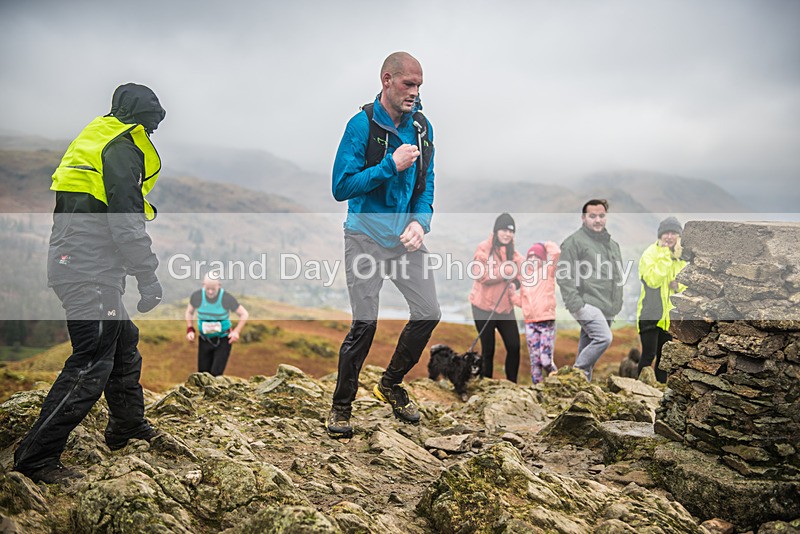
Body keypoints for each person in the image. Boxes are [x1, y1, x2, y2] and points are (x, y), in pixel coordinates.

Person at [13, 83, 166, 484]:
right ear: (142, 121)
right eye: (151, 127)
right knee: (91, 360)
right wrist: (148, 276)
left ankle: (126, 428)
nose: (152, 135)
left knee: (122, 341)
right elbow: (126, 221)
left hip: (80, 264)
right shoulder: (121, 148)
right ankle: (35, 458)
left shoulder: (95, 139)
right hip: (88, 271)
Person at [327, 51, 440, 438]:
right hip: (363, 237)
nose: (415, 91)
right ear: (387, 79)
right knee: (365, 324)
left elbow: (426, 187)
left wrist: (420, 224)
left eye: (419, 85)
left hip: (404, 240)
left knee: (428, 312)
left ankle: (390, 384)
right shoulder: (360, 126)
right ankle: (341, 408)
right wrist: (390, 166)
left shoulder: (422, 128)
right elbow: (341, 187)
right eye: (409, 84)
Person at [557, 199, 624, 381]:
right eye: (592, 216)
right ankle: (574, 375)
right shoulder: (573, 242)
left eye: (601, 216)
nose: (597, 220)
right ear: (583, 218)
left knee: (588, 347)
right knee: (603, 338)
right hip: (586, 302)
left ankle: (580, 389)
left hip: (607, 305)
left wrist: (617, 302)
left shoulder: (612, 245)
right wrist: (576, 303)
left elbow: (617, 275)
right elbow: (563, 274)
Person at [469, 213, 524, 383]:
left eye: (511, 231)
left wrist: (515, 282)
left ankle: (512, 385)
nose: (507, 234)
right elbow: (481, 275)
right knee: (488, 349)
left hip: (505, 308)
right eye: (504, 230)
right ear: (496, 231)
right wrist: (507, 272)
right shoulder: (483, 248)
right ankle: (486, 386)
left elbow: (521, 275)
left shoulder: (513, 253)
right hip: (482, 308)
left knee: (514, 346)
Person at [636, 217, 686, 383]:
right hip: (650, 314)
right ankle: (639, 390)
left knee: (664, 359)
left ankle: (660, 396)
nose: (670, 237)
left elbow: (686, 285)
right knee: (648, 355)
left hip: (668, 318)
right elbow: (652, 280)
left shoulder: (680, 257)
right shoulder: (650, 253)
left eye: (674, 233)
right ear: (660, 235)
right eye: (666, 233)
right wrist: (665, 255)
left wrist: (678, 286)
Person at [512, 241, 561, 384]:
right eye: (531, 258)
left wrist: (545, 245)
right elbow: (523, 302)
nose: (533, 260)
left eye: (537, 257)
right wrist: (512, 296)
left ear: (543, 259)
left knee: (545, 360)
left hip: (546, 322)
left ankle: (556, 382)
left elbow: (556, 253)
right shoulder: (525, 279)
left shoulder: (548, 271)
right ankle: (538, 390)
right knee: (535, 361)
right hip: (530, 324)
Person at [185, 275, 249, 377]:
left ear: (219, 286)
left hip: (223, 340)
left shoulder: (226, 298)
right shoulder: (197, 296)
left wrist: (236, 331)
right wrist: (190, 329)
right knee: (202, 375)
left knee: (216, 375)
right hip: (204, 339)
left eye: (213, 289)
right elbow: (189, 312)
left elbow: (244, 314)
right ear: (203, 285)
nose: (210, 292)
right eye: (208, 289)